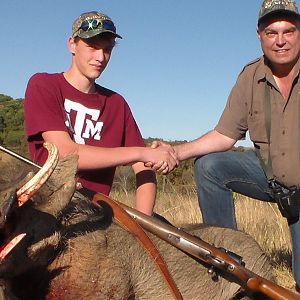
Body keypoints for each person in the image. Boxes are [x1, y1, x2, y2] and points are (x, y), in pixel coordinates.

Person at [155, 0, 300, 290]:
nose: (280, 41)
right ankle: (227, 257)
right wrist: (176, 153)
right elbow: (225, 135)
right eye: (272, 33)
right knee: (210, 166)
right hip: (273, 180)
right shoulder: (250, 76)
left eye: (289, 31)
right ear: (259, 35)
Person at [24, 11, 178, 216]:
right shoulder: (44, 85)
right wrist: (142, 152)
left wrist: (143, 222)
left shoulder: (117, 104)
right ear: (72, 44)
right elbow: (64, 152)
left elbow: (144, 168)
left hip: (95, 214)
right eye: (92, 47)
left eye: (107, 49)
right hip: (46, 209)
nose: (100, 57)